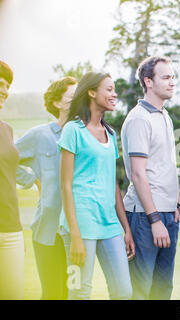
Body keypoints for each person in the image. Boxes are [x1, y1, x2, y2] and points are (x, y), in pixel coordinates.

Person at [59, 72, 135, 300]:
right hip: (80, 224)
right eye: (108, 89)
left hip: (109, 224)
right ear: (91, 92)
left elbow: (113, 186)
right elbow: (65, 185)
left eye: (114, 89)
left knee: (124, 291)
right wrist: (74, 236)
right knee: (79, 291)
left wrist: (126, 229)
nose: (114, 94)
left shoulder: (110, 135)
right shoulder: (73, 130)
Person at [121, 56, 180, 300]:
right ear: (148, 81)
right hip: (145, 216)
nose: (172, 82)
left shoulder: (164, 116)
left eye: (173, 77)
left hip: (167, 214)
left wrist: (174, 205)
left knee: (162, 290)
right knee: (141, 291)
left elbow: (162, 166)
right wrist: (155, 219)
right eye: (165, 77)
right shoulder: (138, 118)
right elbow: (138, 174)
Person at [15, 77, 77, 300]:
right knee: (53, 294)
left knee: (75, 292)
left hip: (78, 235)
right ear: (58, 103)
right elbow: (6, 159)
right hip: (47, 233)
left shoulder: (86, 135)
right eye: (72, 96)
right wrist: (32, 180)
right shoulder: (39, 135)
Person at [0, 60, 24, 300]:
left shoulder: (6, 129)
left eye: (7, 85)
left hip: (11, 228)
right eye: (0, 83)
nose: (4, 90)